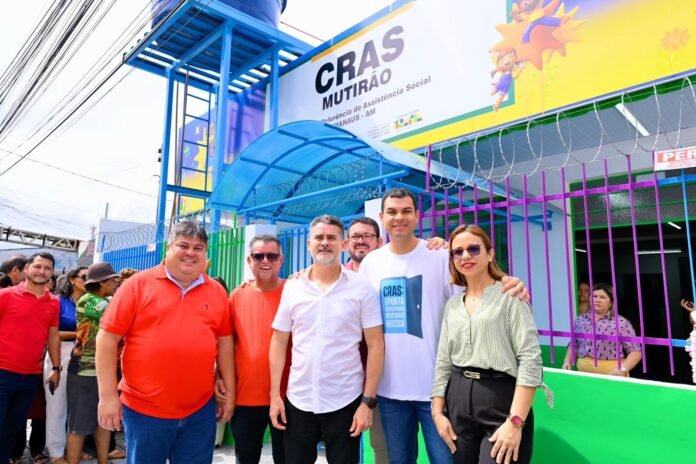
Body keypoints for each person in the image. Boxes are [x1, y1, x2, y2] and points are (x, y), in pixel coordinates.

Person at [359, 187, 527, 464]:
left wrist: (507, 282)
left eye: (406, 211)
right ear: (382, 217)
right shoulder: (371, 263)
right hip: (390, 391)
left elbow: (475, 289)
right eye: (392, 212)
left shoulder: (438, 256)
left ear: (417, 216)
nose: (399, 217)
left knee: (445, 460)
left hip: (439, 391)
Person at [96, 220, 235, 463]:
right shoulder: (137, 285)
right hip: (144, 410)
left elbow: (224, 342)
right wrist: (107, 396)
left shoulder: (216, 291)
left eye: (198, 248)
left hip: (199, 410)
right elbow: (107, 338)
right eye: (184, 245)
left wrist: (229, 391)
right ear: (168, 248)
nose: (191, 253)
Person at [269, 215, 384, 464]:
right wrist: (274, 395)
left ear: (343, 245)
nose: (325, 242)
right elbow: (278, 341)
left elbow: (376, 345)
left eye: (331, 237)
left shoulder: (362, 288)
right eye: (319, 237)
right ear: (309, 244)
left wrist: (367, 402)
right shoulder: (293, 287)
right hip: (298, 400)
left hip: (345, 400)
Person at [431, 225, 543, 464]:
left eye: (473, 249)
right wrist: (437, 412)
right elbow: (443, 361)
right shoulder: (452, 304)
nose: (465, 256)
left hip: (501, 400)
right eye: (457, 252)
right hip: (458, 399)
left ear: (490, 254)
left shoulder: (511, 296)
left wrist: (515, 422)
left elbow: (530, 360)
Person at [222, 234, 289, 464]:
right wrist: (219, 376)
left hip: (287, 397)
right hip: (246, 397)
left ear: (281, 260)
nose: (265, 261)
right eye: (258, 256)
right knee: (246, 458)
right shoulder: (237, 296)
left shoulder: (295, 292)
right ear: (249, 260)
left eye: (272, 256)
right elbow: (226, 343)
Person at [0, 253, 61, 464]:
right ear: (27, 268)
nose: (41, 271)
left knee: (12, 428)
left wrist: (56, 368)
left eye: (47, 268)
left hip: (30, 376)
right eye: (37, 266)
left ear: (52, 273)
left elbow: (53, 336)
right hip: (2, 372)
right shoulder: (5, 295)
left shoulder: (53, 302)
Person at [66, 263, 119, 464]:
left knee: (104, 422)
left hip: (102, 369)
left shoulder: (104, 300)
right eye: (113, 281)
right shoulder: (88, 300)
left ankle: (103, 461)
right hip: (84, 370)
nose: (115, 284)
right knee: (79, 424)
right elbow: (117, 314)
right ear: (101, 282)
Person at [43, 266, 87, 464]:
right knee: (57, 405)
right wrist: (79, 334)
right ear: (72, 279)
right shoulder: (58, 301)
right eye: (84, 277)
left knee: (77, 406)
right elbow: (49, 333)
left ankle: (74, 449)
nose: (89, 280)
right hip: (59, 353)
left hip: (85, 355)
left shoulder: (92, 302)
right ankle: (56, 452)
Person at [562, 282, 642, 376]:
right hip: (584, 376)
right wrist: (567, 361)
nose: (597, 300)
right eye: (594, 296)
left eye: (602, 297)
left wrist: (623, 369)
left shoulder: (621, 323)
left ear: (611, 302)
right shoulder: (580, 320)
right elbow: (574, 344)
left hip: (612, 376)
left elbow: (636, 351)